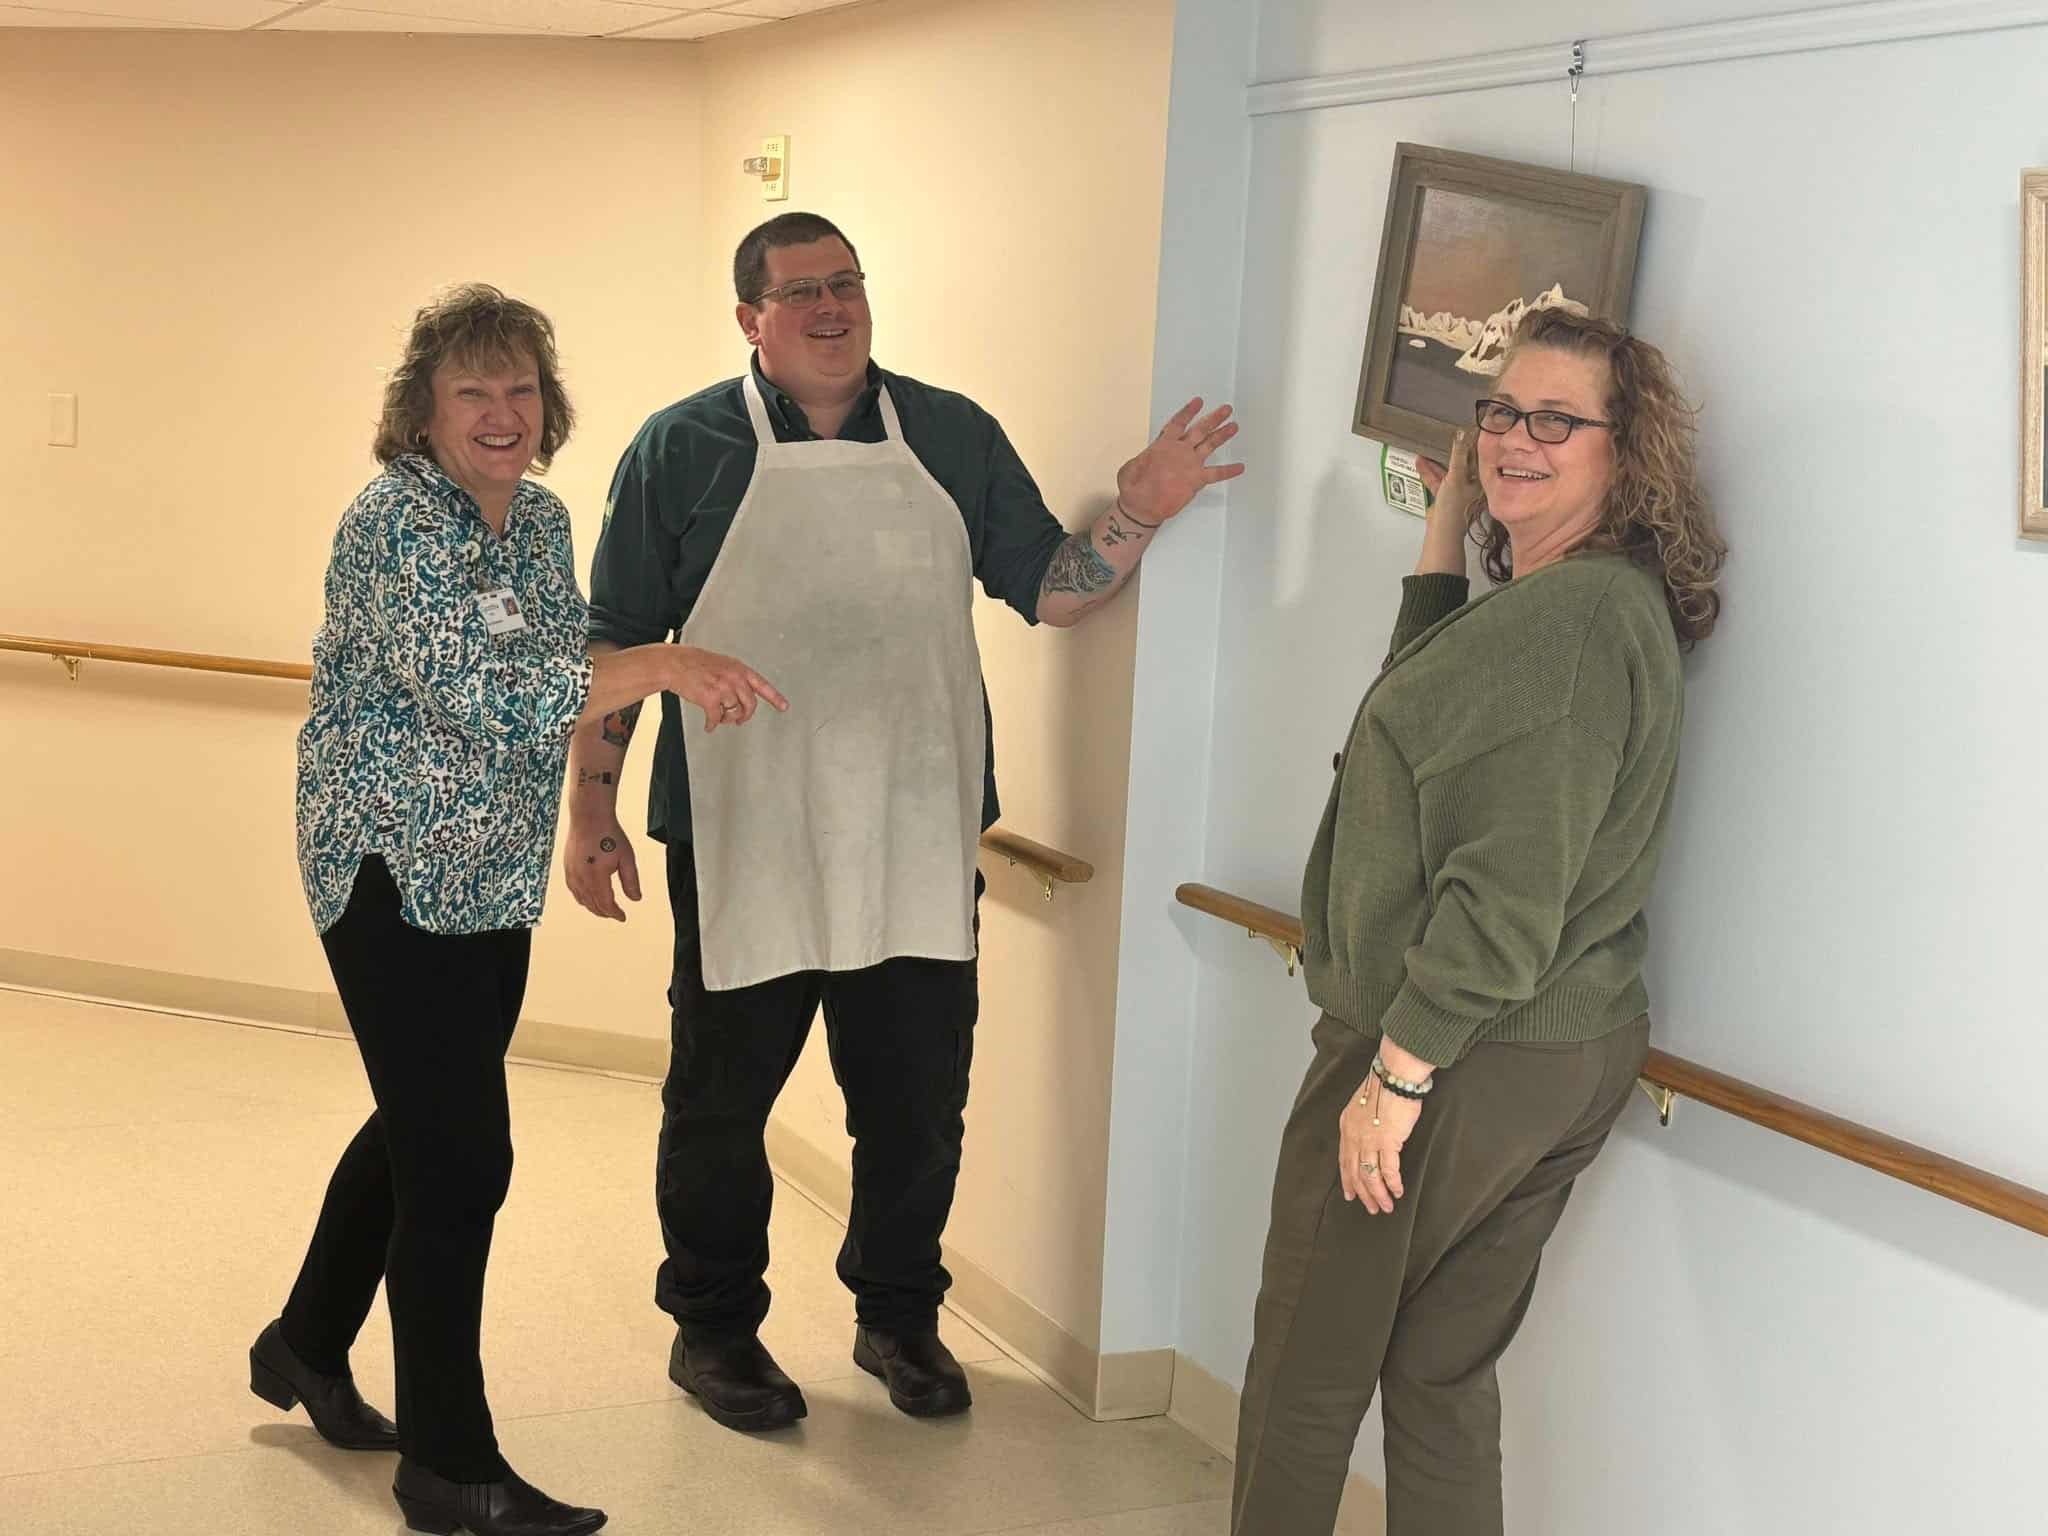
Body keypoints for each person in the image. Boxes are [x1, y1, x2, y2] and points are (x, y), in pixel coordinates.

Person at [566, 212, 1241, 1431]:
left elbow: (1051, 589)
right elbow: (614, 641)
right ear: (749, 320)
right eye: (801, 293)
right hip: (741, 834)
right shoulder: (683, 448)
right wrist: (593, 809)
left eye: (847, 285)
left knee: (915, 1103)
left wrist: (1139, 508)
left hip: (918, 827)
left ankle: (897, 1318)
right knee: (720, 1105)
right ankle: (713, 1332)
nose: (832, 309)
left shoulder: (948, 433)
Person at [255, 284, 783, 1536]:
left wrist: (583, 815)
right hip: (386, 871)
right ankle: (449, 1462)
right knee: (462, 1159)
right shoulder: (393, 525)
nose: (502, 414)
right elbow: (485, 697)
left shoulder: (537, 520)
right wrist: (663, 662)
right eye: (472, 392)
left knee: (419, 1121)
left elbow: (550, 681)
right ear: (422, 412)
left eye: (520, 390)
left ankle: (304, 1343)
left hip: (485, 875)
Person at [1232, 307, 1727, 1535]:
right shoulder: (1583, 605)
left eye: (1554, 420)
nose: (1514, 437)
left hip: (1448, 1046)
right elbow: (1435, 697)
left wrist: (1393, 1079)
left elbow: (1505, 893)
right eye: (1499, 411)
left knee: (1307, 1365)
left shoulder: (1565, 629)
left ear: (1627, 454)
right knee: (1438, 1376)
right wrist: (1451, 520)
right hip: (1562, 1044)